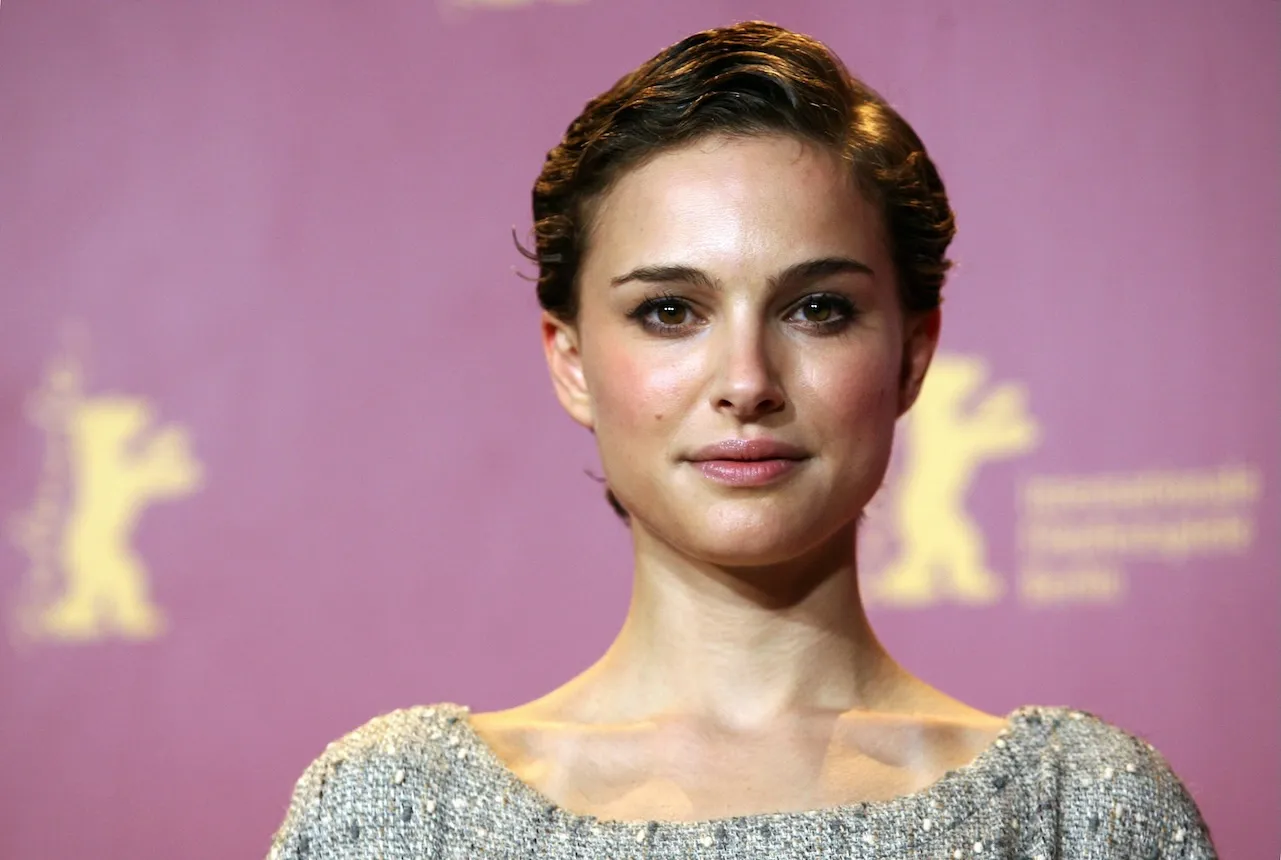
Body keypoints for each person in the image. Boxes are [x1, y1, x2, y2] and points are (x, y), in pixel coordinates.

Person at [266, 21, 1215, 859]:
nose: (747, 382)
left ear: (913, 355)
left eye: (817, 308)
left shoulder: (1082, 814)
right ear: (571, 361)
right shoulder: (397, 816)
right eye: (670, 311)